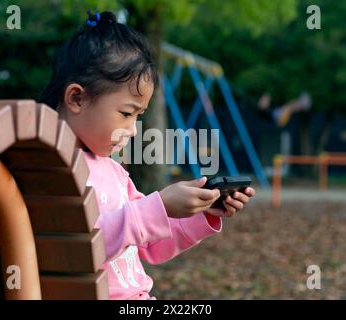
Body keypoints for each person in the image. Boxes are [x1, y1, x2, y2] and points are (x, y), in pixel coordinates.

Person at [39, 10, 255, 300]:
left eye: (138, 116)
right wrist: (159, 207)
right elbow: (73, 249)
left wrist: (200, 212)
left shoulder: (113, 170)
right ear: (77, 98)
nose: (133, 130)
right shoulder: (46, 167)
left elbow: (151, 245)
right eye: (126, 114)